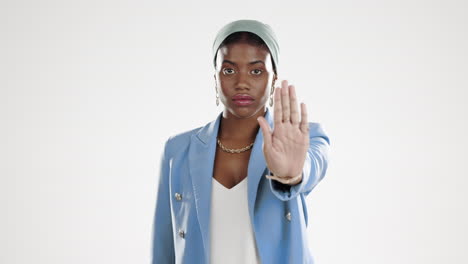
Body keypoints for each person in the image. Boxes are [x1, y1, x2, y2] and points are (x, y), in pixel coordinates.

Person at [151, 19, 331, 264]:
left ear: (274, 79)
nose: (242, 82)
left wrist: (291, 175)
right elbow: (163, 248)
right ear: (215, 78)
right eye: (229, 70)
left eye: (256, 70)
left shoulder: (302, 138)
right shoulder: (178, 150)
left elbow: (311, 166)